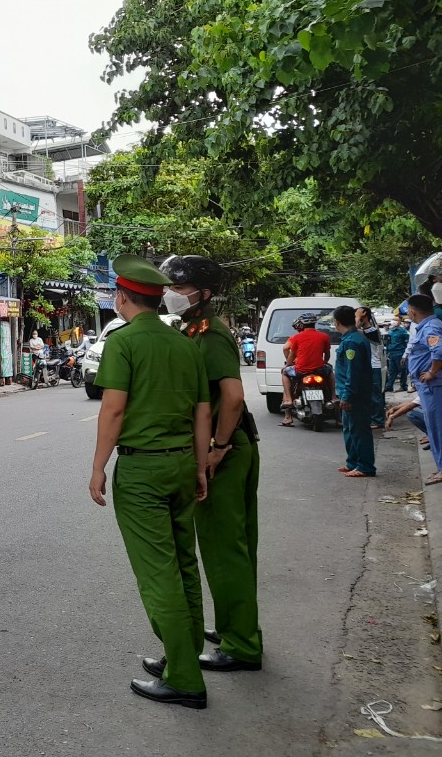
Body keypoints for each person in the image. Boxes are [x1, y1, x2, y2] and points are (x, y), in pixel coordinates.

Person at [89, 254, 212, 710]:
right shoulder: (184, 343)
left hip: (142, 471)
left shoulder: (123, 342)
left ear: (122, 298)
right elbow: (202, 411)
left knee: (158, 573)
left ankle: (185, 679)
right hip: (182, 464)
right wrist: (200, 467)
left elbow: (113, 409)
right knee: (183, 563)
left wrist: (98, 466)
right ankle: (186, 654)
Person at [161, 254, 263, 673]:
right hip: (235, 446)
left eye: (179, 288)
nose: (171, 294)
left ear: (202, 293)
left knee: (224, 550)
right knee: (235, 546)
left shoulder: (211, 334)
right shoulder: (195, 328)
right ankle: (237, 627)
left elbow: (233, 397)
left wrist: (217, 448)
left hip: (227, 451)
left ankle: (241, 645)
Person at [332, 306, 376, 478]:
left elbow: (353, 373)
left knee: (359, 431)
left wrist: (347, 395)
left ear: (337, 322)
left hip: (355, 395)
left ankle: (365, 466)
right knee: (350, 430)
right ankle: (353, 462)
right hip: (350, 392)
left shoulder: (352, 342)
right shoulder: (352, 338)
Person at [406, 294, 442, 485]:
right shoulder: (428, 326)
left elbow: (439, 351)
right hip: (429, 387)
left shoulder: (431, 327)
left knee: (437, 428)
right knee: (434, 427)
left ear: (413, 311)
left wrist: (432, 372)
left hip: (434, 386)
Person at [280, 313, 331, 426]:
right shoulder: (324, 336)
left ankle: (288, 401)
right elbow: (327, 354)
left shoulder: (296, 337)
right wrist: (324, 363)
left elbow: (290, 353)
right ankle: (333, 397)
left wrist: (287, 365)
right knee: (330, 371)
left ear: (301, 325)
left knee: (285, 373)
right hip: (319, 370)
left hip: (301, 370)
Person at [355, 307, 386, 428]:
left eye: (357, 316)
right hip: (367, 366)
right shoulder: (365, 331)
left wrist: (359, 317)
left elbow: (353, 331)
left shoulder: (371, 331)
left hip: (373, 366)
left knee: (375, 395)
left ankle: (378, 420)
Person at [386, 317, 410, 392]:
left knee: (402, 370)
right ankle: (389, 386)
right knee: (392, 371)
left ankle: (403, 386)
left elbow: (409, 340)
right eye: (393, 319)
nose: (393, 321)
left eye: (396, 320)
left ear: (399, 322)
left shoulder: (402, 331)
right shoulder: (390, 330)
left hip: (399, 353)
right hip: (391, 353)